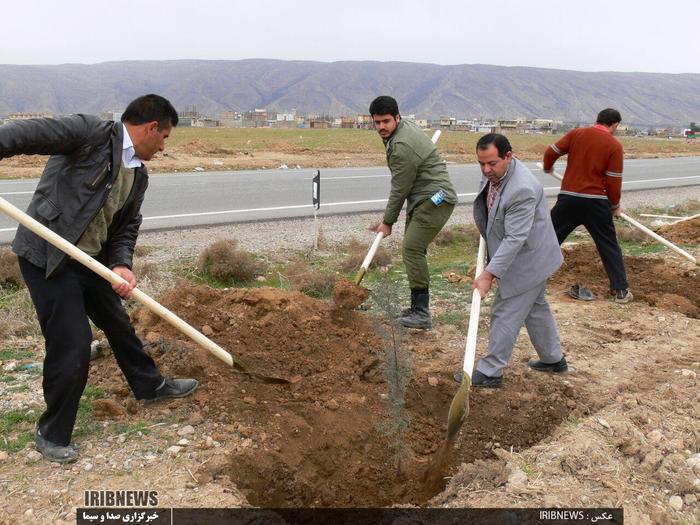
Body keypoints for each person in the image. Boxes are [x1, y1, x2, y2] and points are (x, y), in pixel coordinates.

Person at [0, 94, 198, 463]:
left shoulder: (138, 174)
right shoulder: (89, 133)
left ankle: (149, 386)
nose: (164, 145)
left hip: (90, 261)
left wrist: (122, 265)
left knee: (119, 325)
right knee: (72, 343)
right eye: (165, 136)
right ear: (151, 127)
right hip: (49, 257)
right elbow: (25, 134)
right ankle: (52, 432)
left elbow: (125, 227)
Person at [454, 134, 567, 388]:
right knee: (536, 308)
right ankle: (553, 360)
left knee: (505, 310)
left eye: (491, 163)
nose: (486, 170)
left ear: (509, 156)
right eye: (481, 164)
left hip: (529, 259)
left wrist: (488, 274)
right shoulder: (496, 172)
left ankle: (491, 371)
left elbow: (515, 238)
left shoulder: (522, 188)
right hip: (527, 254)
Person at [370, 96, 457, 329]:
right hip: (425, 198)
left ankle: (421, 312)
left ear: (397, 117)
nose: (381, 127)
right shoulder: (400, 131)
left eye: (386, 121)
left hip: (438, 198)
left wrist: (388, 221)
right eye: (377, 122)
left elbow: (400, 188)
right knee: (414, 249)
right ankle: (416, 307)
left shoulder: (402, 147)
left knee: (411, 248)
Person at [542, 108, 632, 303]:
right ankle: (621, 291)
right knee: (608, 245)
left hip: (569, 199)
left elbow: (551, 152)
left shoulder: (576, 134)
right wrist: (615, 205)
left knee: (547, 238)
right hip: (596, 202)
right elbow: (613, 180)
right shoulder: (614, 145)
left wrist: (548, 167)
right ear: (615, 124)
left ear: (597, 120)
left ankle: (527, 278)